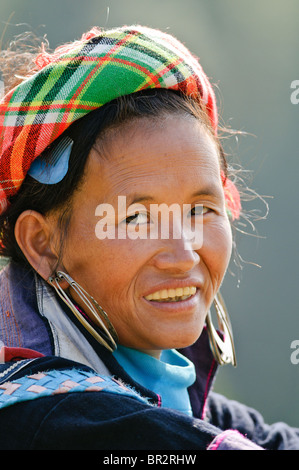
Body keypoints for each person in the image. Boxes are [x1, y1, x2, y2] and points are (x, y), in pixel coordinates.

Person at [0, 24, 298, 451]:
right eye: (137, 218)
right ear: (43, 243)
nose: (182, 253)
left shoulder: (176, 392)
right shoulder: (48, 420)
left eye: (200, 210)